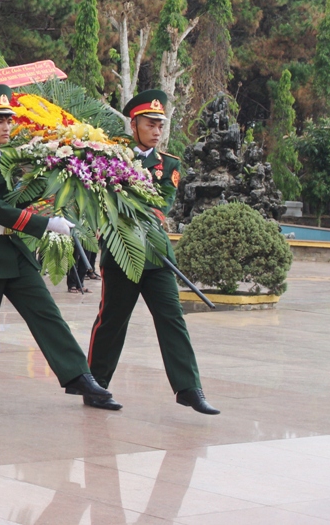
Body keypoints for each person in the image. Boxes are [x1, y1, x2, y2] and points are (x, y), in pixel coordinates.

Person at [0, 84, 112, 425]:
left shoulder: (6, 162)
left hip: (11, 250)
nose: (7, 127)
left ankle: (78, 376)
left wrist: (56, 178)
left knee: (46, 313)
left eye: (9, 120)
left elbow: (15, 201)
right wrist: (46, 223)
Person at [85, 90, 219, 415]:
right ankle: (96, 385)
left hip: (156, 255)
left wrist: (130, 204)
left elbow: (162, 205)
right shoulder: (110, 158)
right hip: (121, 252)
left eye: (160, 125)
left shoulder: (168, 164)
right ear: (134, 125)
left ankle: (189, 388)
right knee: (112, 320)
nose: (157, 131)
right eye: (150, 124)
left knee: (172, 318)